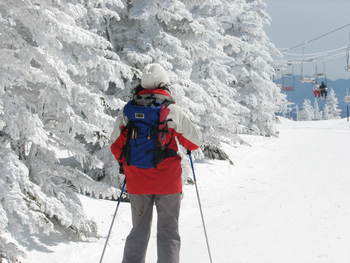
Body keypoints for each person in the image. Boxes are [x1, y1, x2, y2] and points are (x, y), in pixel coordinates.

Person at [110, 63, 202, 263]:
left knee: (138, 232)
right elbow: (195, 142)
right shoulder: (171, 110)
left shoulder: (129, 110)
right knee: (168, 232)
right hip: (168, 183)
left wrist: (127, 165)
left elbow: (115, 145)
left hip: (137, 182)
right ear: (164, 83)